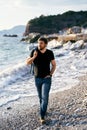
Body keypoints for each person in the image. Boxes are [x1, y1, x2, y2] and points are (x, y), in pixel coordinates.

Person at [26, 37, 56, 124]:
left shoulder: (50, 53)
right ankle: (44, 110)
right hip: (37, 79)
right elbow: (27, 62)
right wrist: (34, 57)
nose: (39, 44)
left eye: (41, 43)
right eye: (39, 43)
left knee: (44, 98)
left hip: (47, 79)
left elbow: (54, 65)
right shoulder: (34, 51)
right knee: (40, 97)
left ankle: (42, 116)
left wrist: (50, 74)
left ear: (46, 44)